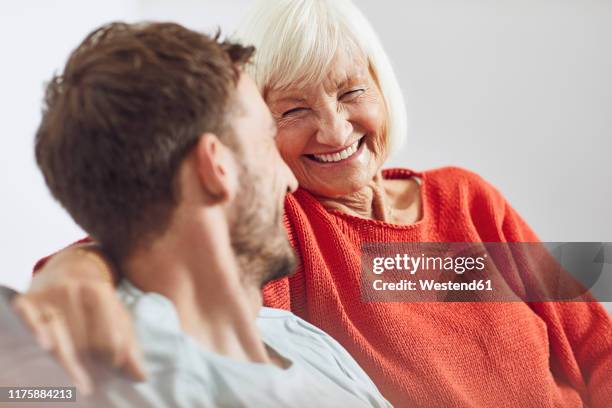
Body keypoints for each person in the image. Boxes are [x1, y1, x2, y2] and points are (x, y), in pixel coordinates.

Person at [16, 0, 612, 407]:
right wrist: (77, 274)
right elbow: (154, 233)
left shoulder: (468, 197)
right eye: (294, 110)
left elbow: (594, 343)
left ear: (382, 89)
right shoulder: (289, 226)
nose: (334, 130)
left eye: (352, 92)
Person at [13, 21, 391, 408]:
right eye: (267, 137)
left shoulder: (305, 341)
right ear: (216, 166)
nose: (289, 178)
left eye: (353, 91)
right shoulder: (102, 369)